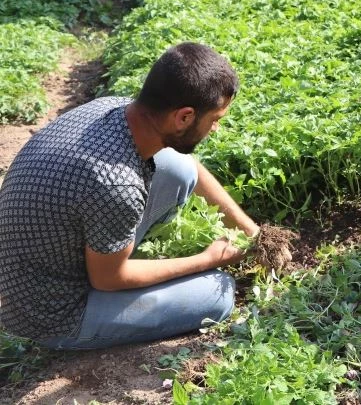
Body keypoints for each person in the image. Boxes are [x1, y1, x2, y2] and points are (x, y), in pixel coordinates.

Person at [0, 42, 277, 350]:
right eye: (215, 119)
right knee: (220, 293)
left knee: (179, 167)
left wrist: (253, 233)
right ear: (184, 117)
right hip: (51, 313)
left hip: (31, 264)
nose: (216, 128)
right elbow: (109, 279)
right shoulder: (117, 185)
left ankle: (114, 252)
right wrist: (206, 260)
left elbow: (192, 169)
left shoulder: (114, 109)